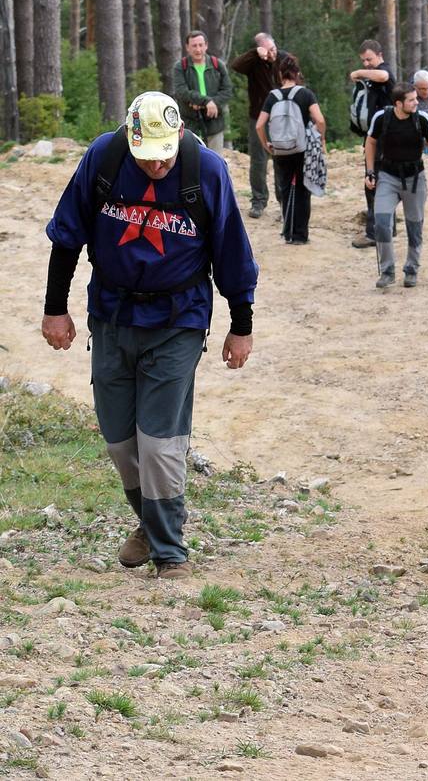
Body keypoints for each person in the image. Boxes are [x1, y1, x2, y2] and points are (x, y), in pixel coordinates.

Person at [41, 91, 258, 580]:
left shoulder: (206, 171)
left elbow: (233, 254)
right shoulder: (104, 158)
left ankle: (169, 552)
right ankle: (151, 521)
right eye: (147, 155)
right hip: (113, 315)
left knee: (159, 442)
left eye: (165, 154)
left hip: (178, 319)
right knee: (120, 441)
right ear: (130, 139)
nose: (157, 165)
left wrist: (240, 325)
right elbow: (67, 236)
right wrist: (55, 309)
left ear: (179, 135)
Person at [365, 83, 428, 289]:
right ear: (398, 103)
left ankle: (411, 270)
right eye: (412, 100)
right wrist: (370, 171)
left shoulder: (421, 119)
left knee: (414, 227)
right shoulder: (382, 118)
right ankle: (387, 271)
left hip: (414, 178)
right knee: (381, 223)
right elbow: (370, 142)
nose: (417, 102)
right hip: (388, 177)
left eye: (416, 98)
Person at [254, 54, 326, 244]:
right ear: (297, 73)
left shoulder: (272, 96)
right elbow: (320, 120)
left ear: (280, 74)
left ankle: (287, 233)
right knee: (303, 190)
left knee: (285, 189)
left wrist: (266, 144)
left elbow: (259, 125)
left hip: (280, 149)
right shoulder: (305, 94)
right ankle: (300, 236)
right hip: (302, 148)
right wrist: (321, 139)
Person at [229, 32, 287, 218]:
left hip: (282, 118)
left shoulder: (285, 59)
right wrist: (255, 53)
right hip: (258, 118)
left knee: (282, 161)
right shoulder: (252, 62)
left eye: (273, 49)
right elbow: (235, 65)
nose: (272, 54)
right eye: (268, 50)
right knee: (258, 162)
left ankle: (285, 203)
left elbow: (297, 80)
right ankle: (258, 201)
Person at [349, 40, 396, 248]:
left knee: (374, 183)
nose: (367, 64)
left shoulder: (384, 72)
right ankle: (387, 227)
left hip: (385, 140)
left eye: (369, 59)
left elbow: (383, 76)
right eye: (363, 61)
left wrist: (360, 72)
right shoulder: (372, 76)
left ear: (380, 55)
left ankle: (374, 233)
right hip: (374, 138)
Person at [170, 30, 233, 152]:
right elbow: (181, 91)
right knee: (191, 160)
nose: (198, 49)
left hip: (215, 122)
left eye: (200, 45)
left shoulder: (217, 64)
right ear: (187, 47)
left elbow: (227, 90)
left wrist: (213, 103)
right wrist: (206, 101)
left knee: (215, 161)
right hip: (190, 124)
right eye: (194, 46)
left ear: (206, 45)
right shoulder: (180, 66)